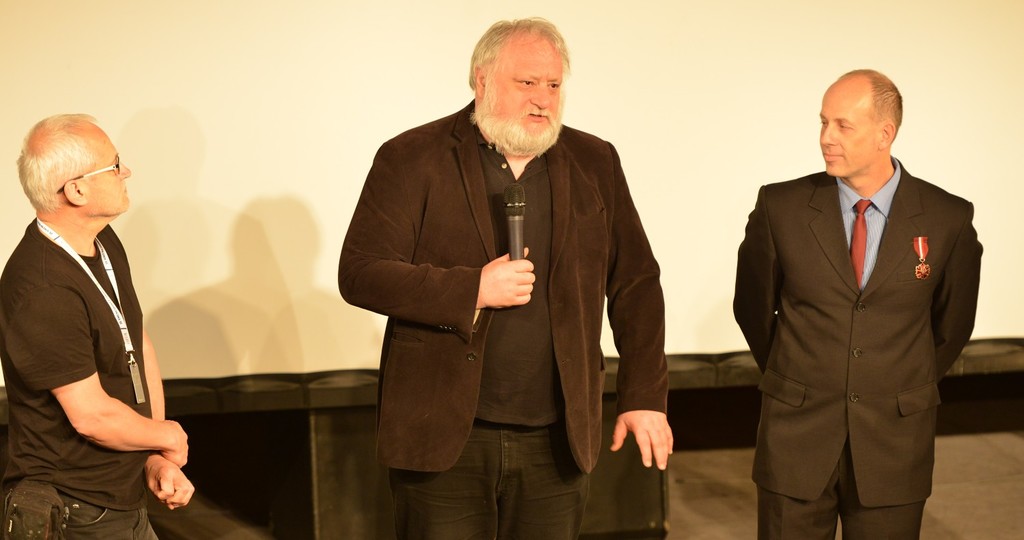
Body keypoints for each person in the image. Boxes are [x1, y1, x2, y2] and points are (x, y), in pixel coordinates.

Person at [338, 17, 672, 539]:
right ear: (482, 80)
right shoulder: (412, 156)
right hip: (443, 433)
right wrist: (471, 289)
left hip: (557, 438)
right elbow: (360, 273)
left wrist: (644, 394)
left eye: (554, 85)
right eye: (527, 82)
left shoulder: (594, 160)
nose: (543, 99)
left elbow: (636, 282)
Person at [733, 69, 983, 539]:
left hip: (895, 443)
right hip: (796, 438)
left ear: (885, 133)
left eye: (843, 125)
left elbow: (953, 326)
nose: (826, 137)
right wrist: (797, 376)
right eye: (823, 122)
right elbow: (752, 309)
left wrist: (897, 383)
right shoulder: (780, 207)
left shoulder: (948, 216)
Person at [0, 114, 194, 538]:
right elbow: (91, 416)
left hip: (121, 498)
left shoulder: (102, 242)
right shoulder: (43, 287)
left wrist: (155, 454)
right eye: (114, 165)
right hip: (76, 510)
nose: (127, 172)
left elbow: (137, 343)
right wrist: (165, 435)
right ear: (76, 190)